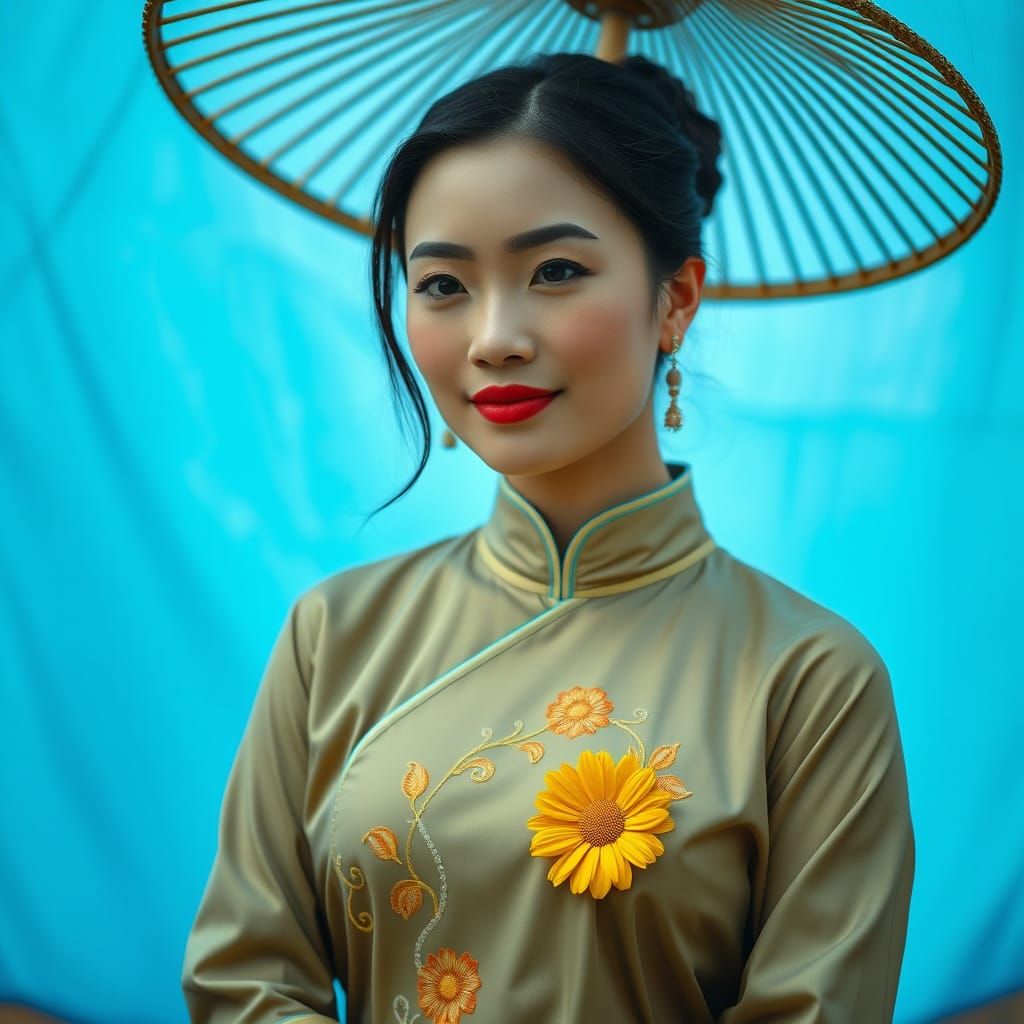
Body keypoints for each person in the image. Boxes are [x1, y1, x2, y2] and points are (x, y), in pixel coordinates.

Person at [181, 52, 914, 1023]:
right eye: (443, 284)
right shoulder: (335, 637)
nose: (494, 336)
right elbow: (243, 978)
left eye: (556, 271)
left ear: (675, 300)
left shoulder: (807, 678)